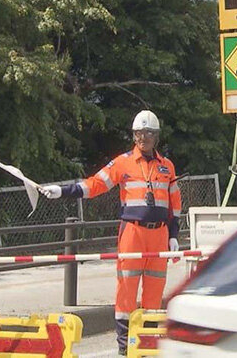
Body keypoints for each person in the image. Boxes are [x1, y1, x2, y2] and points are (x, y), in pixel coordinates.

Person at [40, 110, 182, 356]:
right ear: (133, 135)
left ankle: (148, 344)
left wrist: (174, 234)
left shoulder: (167, 167)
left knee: (154, 292)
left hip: (159, 235)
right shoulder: (122, 162)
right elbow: (95, 184)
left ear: (156, 137)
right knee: (126, 290)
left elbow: (175, 204)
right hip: (132, 233)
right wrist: (62, 191)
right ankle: (125, 346)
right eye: (139, 134)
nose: (143, 138)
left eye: (148, 134)